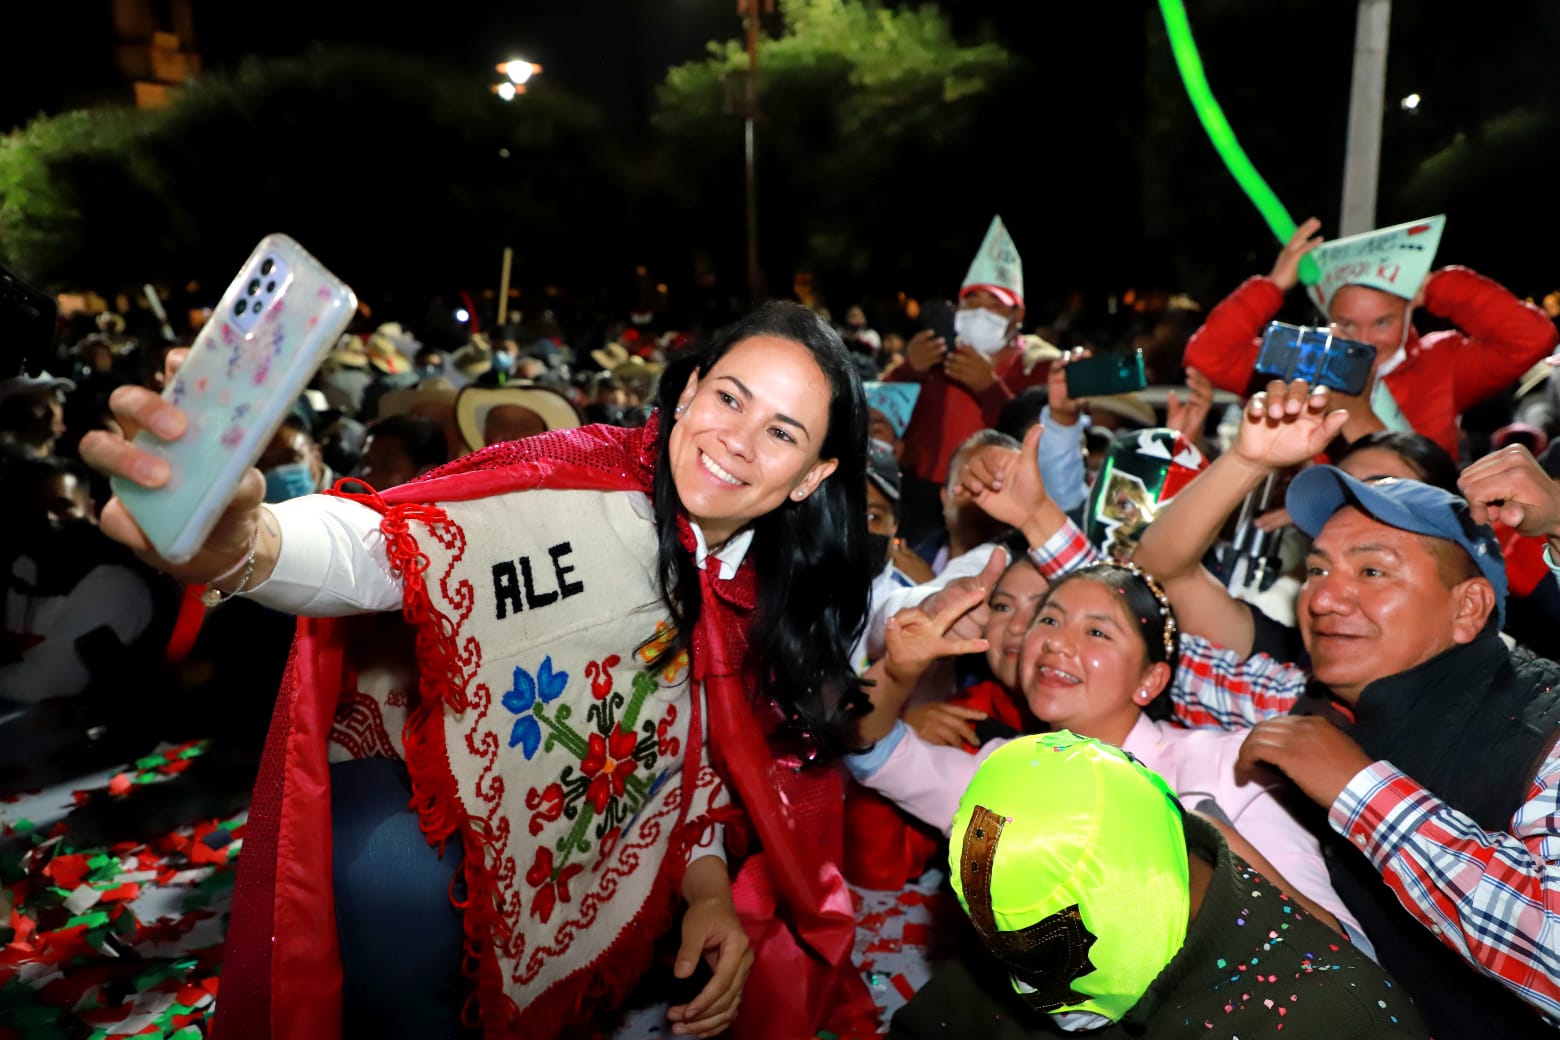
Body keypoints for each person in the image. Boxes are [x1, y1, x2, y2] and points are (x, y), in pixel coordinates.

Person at [82, 302, 877, 1040]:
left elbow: (701, 775)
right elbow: (381, 548)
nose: (738, 438)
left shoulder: (769, 599)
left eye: (782, 432)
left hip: (612, 887)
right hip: (439, 863)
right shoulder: (575, 478)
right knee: (380, 865)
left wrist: (708, 891)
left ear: (811, 475)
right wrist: (247, 543)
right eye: (730, 398)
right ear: (690, 389)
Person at [1127, 385, 1560, 1037]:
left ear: (1469, 608)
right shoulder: (1305, 706)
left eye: (1373, 572)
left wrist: (1361, 792)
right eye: (1320, 570)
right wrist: (1246, 459)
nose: (1326, 599)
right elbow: (1139, 621)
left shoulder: (1543, 727)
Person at [849, 560, 1359, 939]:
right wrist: (897, 673)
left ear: (1150, 680)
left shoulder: (1227, 770)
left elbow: (1341, 947)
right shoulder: (1008, 770)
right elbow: (873, 751)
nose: (1055, 643)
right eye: (1048, 621)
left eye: (1096, 631)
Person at [888, 733, 1428, 1039]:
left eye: (1041, 957)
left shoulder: (1336, 1022)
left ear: (1131, 894)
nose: (1028, 990)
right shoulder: (1031, 900)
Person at [1183, 216, 1557, 458]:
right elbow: (1209, 355)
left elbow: (1532, 338)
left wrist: (1437, 287)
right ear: (1329, 320)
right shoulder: (1308, 360)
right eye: (1347, 324)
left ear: (1409, 312)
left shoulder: (1443, 362)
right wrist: (1275, 284)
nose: (1364, 340)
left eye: (1382, 322)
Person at [886, 217, 1057, 547]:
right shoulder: (935, 360)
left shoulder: (1036, 368)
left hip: (999, 501)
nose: (980, 312)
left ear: (1017, 316)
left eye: (994, 305)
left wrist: (989, 388)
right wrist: (909, 370)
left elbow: (1037, 439)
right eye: (971, 302)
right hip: (925, 502)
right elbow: (883, 415)